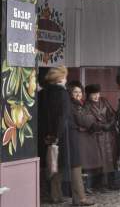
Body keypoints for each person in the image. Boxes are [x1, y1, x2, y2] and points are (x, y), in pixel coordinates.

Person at [40, 66, 94, 206]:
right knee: (75, 165)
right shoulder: (63, 93)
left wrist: (51, 135)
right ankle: (80, 198)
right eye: (64, 77)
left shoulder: (44, 93)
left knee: (55, 163)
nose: (66, 79)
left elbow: (44, 116)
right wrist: (58, 135)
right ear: (59, 78)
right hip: (67, 133)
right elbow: (63, 116)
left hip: (51, 134)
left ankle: (55, 196)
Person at [68, 81, 101, 194]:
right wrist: (91, 119)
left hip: (84, 137)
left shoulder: (81, 104)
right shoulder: (74, 105)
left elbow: (88, 119)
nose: (78, 94)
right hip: (80, 138)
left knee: (84, 165)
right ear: (71, 93)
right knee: (81, 164)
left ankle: (84, 188)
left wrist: (90, 119)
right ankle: (81, 190)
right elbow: (83, 120)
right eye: (75, 92)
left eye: (80, 92)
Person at [84, 84, 118, 190]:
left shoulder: (104, 101)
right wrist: (102, 126)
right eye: (93, 94)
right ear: (88, 95)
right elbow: (89, 122)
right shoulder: (87, 106)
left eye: (97, 94)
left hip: (109, 135)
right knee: (100, 160)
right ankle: (101, 184)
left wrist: (110, 124)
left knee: (111, 159)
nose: (96, 96)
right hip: (97, 136)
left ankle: (112, 183)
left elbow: (113, 114)